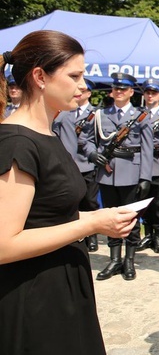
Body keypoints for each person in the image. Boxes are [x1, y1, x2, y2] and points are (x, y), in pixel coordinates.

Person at [0, 30, 138, 355]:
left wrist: (100, 223)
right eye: (73, 76)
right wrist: (91, 221)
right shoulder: (17, 141)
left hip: (61, 290)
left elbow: (48, 216)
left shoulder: (47, 133)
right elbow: (4, 244)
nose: (83, 85)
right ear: (40, 77)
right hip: (35, 299)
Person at [90, 72, 153, 281]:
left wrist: (145, 177)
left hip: (131, 172)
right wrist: (93, 154)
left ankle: (129, 260)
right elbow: (90, 140)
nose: (119, 92)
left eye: (123, 89)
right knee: (110, 217)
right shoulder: (101, 115)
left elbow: (146, 148)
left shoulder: (140, 116)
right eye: (116, 88)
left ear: (131, 92)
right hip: (107, 174)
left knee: (131, 219)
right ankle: (114, 259)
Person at [51, 77, 100, 252]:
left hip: (85, 163)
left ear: (88, 93)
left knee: (89, 201)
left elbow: (96, 138)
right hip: (66, 161)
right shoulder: (63, 112)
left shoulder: (95, 114)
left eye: (84, 90)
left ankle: (91, 234)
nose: (79, 93)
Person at [135, 79, 159, 254]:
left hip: (158, 164)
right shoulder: (137, 114)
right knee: (142, 202)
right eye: (148, 93)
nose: (150, 96)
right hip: (140, 165)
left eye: (154, 93)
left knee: (158, 202)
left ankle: (157, 235)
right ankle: (147, 234)